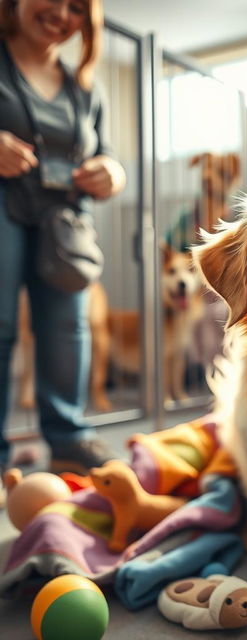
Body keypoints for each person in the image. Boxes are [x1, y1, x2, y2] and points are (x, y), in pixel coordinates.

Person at [0, 0, 126, 483]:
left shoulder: (83, 89)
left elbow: (107, 153)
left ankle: (69, 440)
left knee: (68, 329)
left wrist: (112, 172)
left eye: (76, 6)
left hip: (65, 221)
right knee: (1, 327)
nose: (61, 12)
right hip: (5, 206)